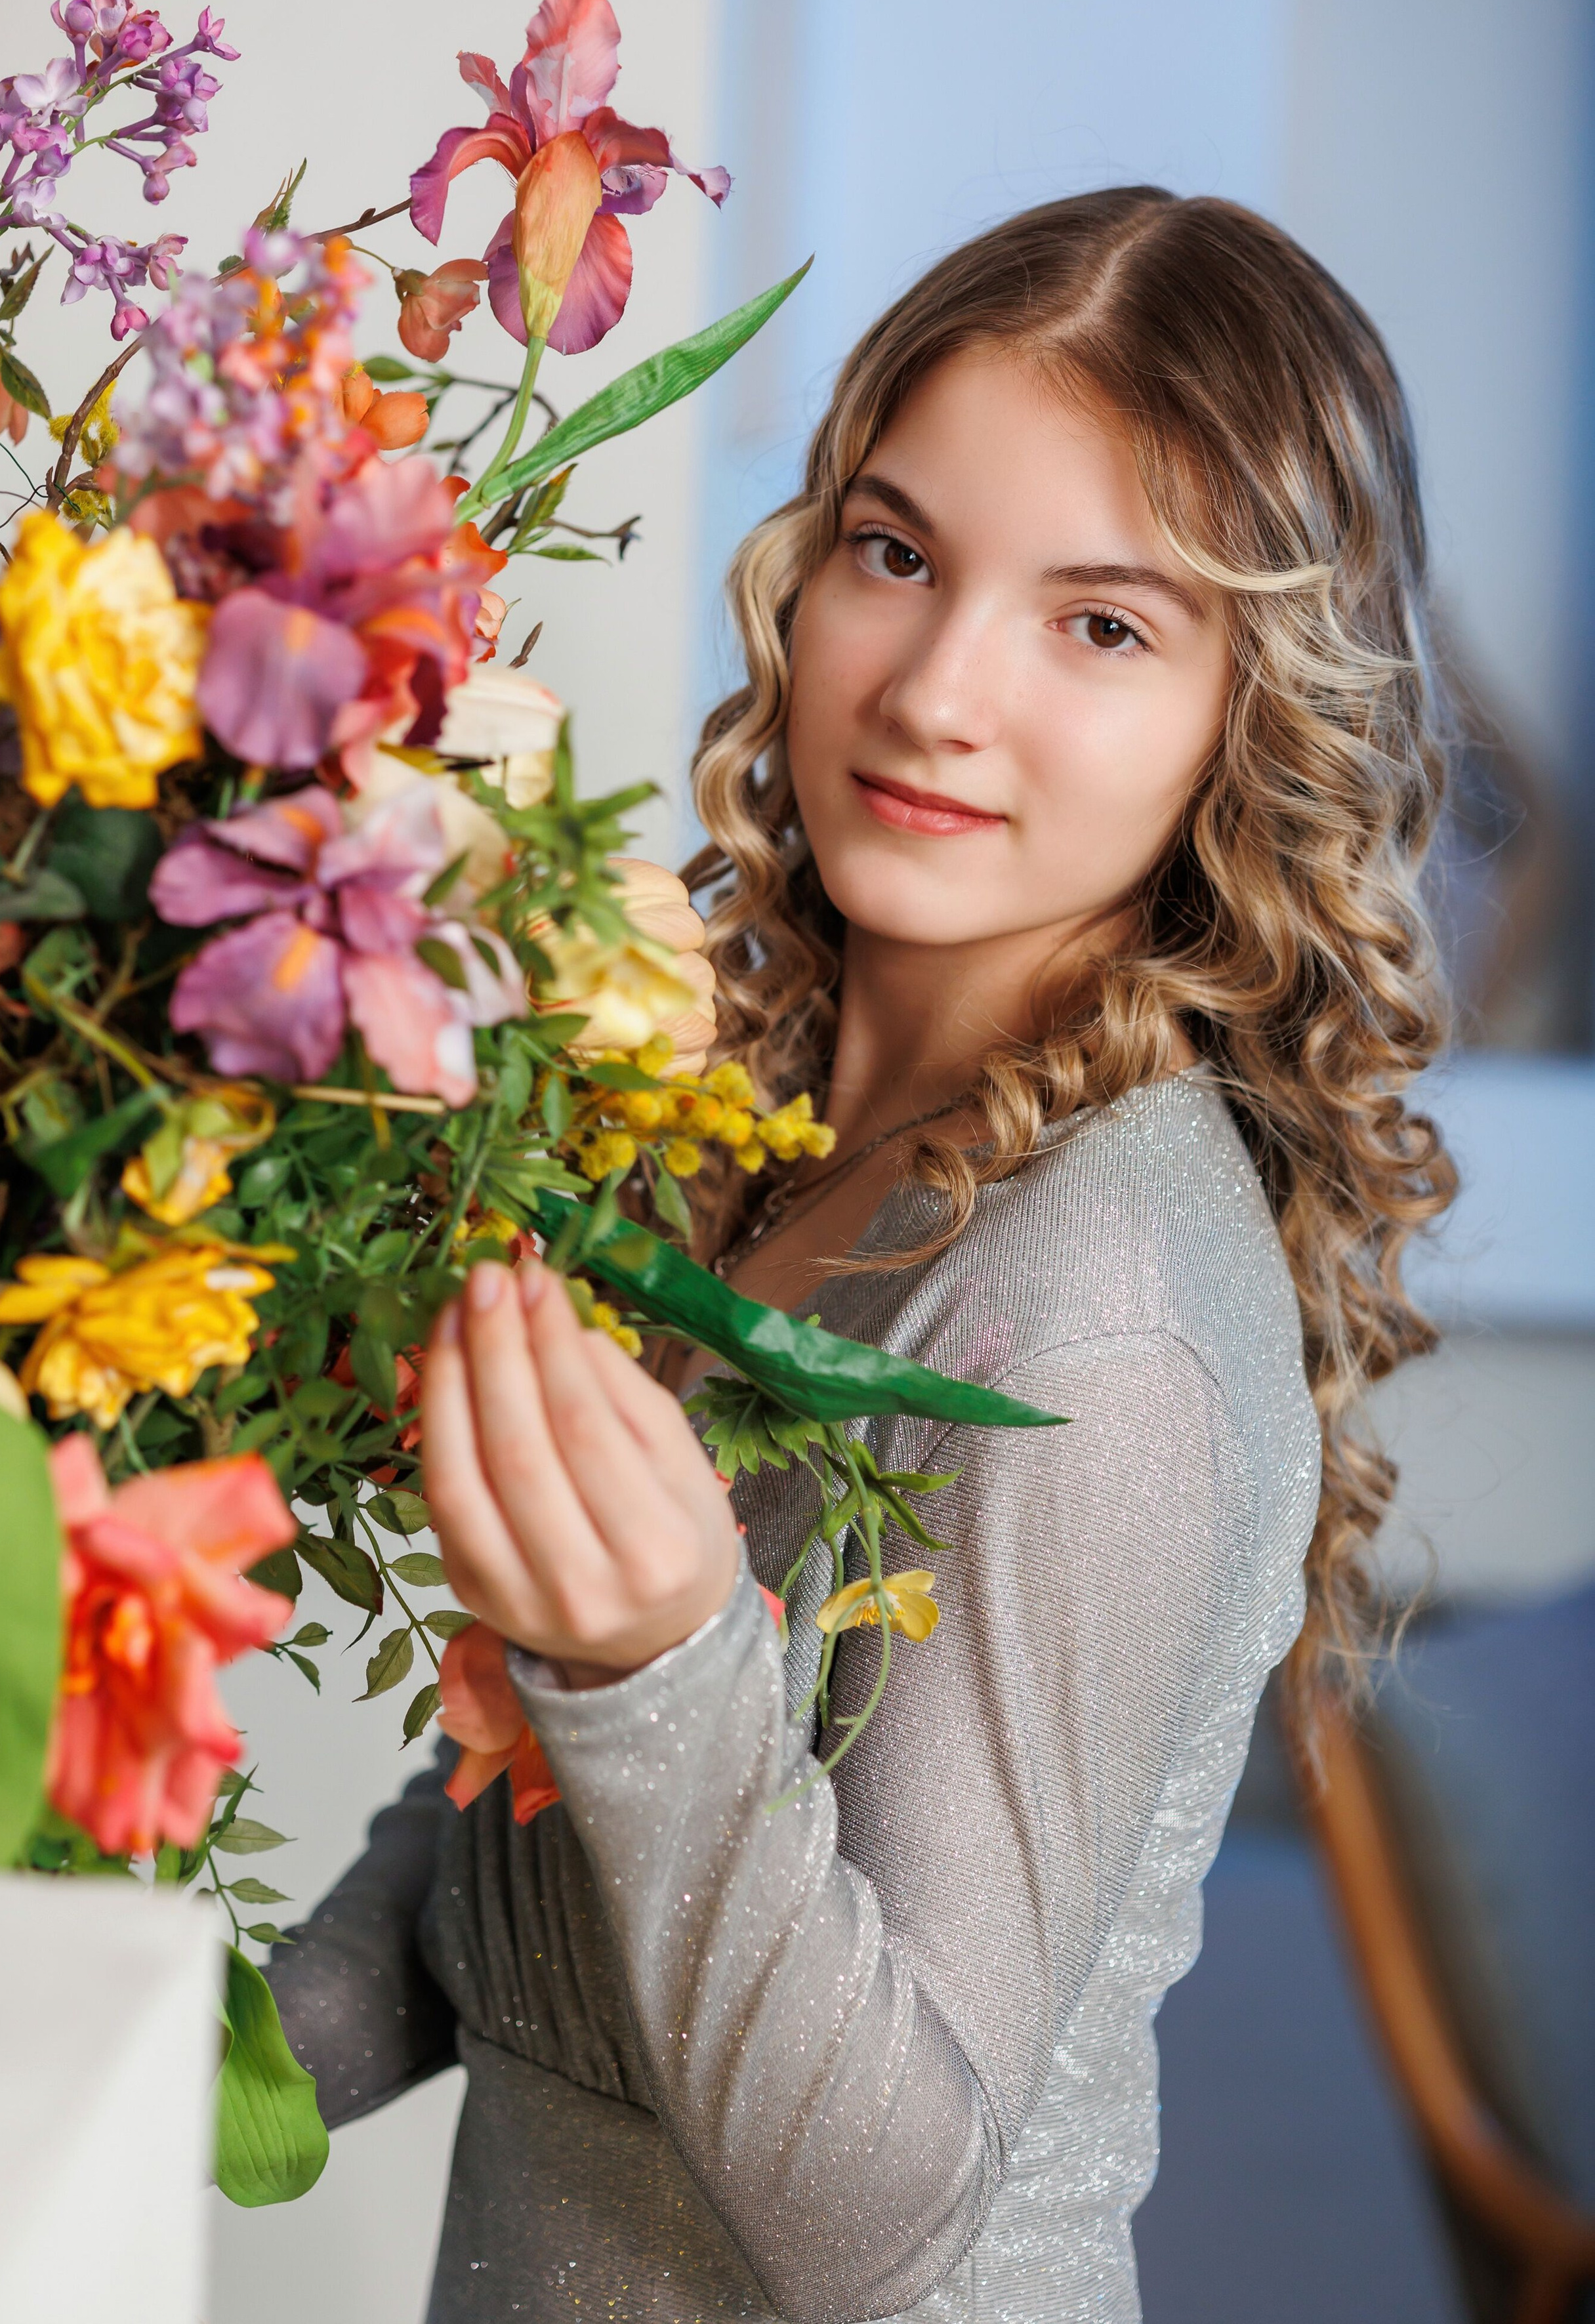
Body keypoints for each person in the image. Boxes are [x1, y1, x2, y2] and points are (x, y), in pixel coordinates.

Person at [270, 187, 1455, 2323]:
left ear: (1241, 722)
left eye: (1102, 626)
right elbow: (513, 1869)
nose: (933, 693)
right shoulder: (738, 1135)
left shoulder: (1087, 1311)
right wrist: (137, 2066)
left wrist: (655, 1665)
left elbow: (881, 2219)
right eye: (896, 557)